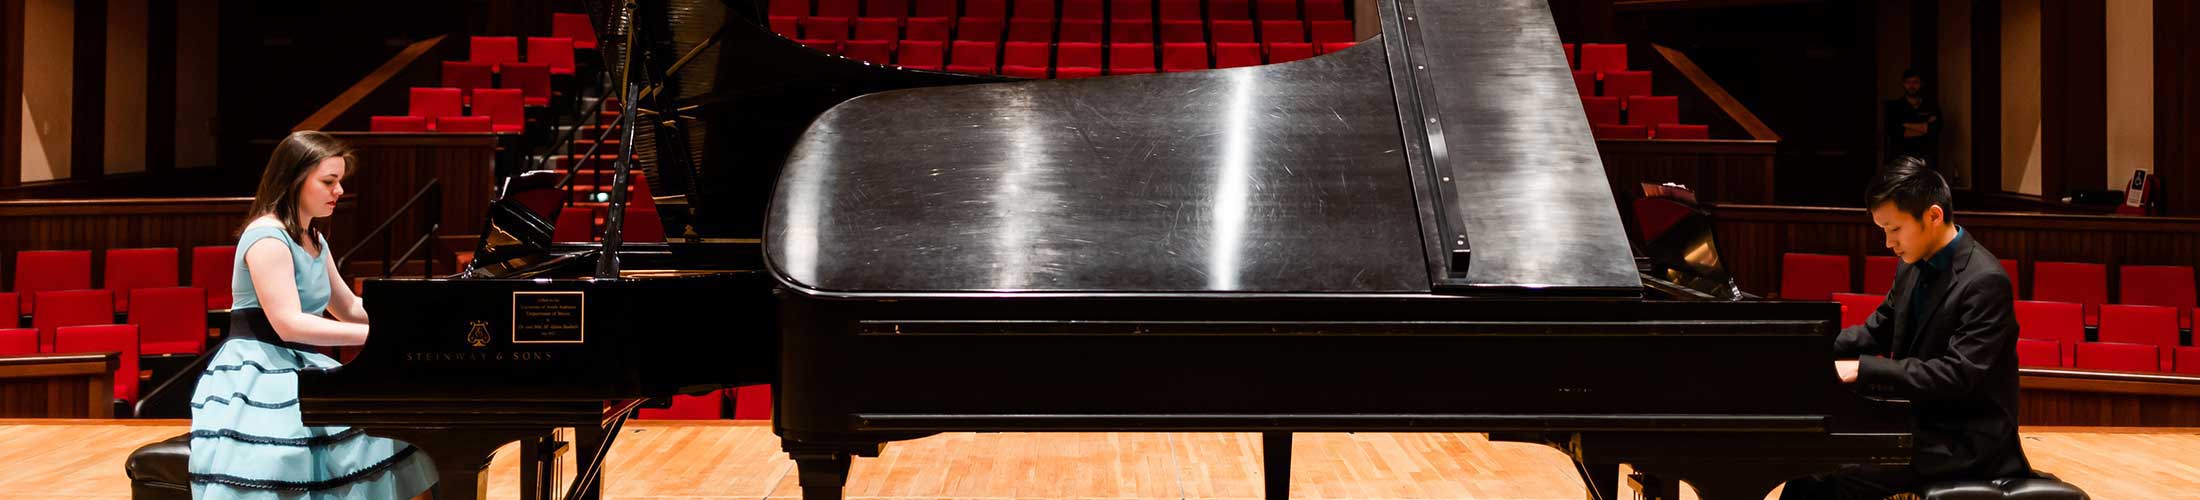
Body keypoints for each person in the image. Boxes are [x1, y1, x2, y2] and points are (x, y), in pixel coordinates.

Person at [189, 131, 438, 499]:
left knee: (387, 434)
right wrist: (381, 337)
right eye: (328, 181)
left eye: (339, 182)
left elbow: (349, 307)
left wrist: (406, 321)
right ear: (294, 179)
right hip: (258, 366)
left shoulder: (316, 240)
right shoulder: (267, 237)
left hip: (298, 363)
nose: (338, 191)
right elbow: (289, 324)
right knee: (283, 456)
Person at [1780, 157, 2030, 499]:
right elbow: (1875, 332)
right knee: (1809, 464)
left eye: (1894, 229)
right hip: (1920, 426)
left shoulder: (1985, 281)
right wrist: (1805, 345)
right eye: (1883, 230)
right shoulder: (1911, 266)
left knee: (1826, 477)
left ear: (1933, 216)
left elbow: (1957, 374)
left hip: (1966, 441)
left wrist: (1862, 369)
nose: (1887, 243)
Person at [1884, 69, 1941, 166]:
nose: (1912, 86)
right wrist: (1924, 127)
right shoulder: (1894, 107)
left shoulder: (1931, 106)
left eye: (1915, 82)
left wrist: (1906, 124)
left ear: (1921, 84)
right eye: (1908, 82)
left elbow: (1935, 129)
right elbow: (1895, 131)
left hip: (1926, 159)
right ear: (1903, 84)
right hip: (1900, 159)